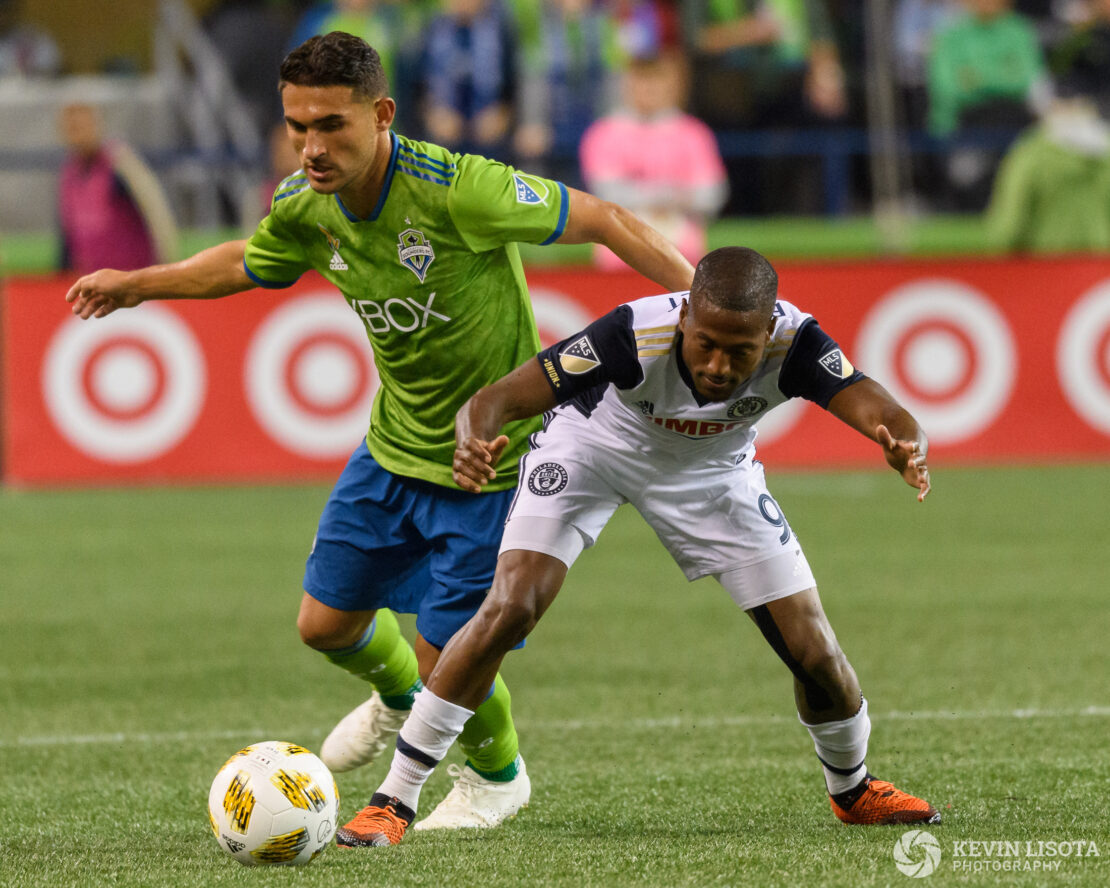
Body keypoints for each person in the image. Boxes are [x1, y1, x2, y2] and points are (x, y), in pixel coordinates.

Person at [65, 31, 694, 838]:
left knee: (449, 658)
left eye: (332, 124)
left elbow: (606, 219)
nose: (312, 147)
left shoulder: (460, 189)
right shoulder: (305, 202)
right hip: (394, 445)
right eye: (298, 127)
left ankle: (497, 779)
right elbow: (247, 263)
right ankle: (400, 704)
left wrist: (712, 305)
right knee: (324, 625)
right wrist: (139, 285)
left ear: (382, 113)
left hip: (491, 460)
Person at [336, 246, 941, 846]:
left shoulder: (799, 343)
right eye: (706, 342)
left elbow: (881, 407)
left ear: (769, 332)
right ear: (684, 319)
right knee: (510, 605)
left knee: (813, 650)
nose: (720, 366)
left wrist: (904, 443)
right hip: (594, 449)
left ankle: (853, 789)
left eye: (742, 351)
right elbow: (495, 401)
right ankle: (395, 798)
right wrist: (473, 438)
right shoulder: (631, 332)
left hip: (713, 471)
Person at [579, 51, 728, 270]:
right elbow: (605, 194)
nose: (649, 89)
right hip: (618, 253)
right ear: (627, 84)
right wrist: (673, 194)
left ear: (672, 85)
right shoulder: (603, 134)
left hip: (684, 254)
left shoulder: (694, 134)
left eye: (656, 81)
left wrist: (642, 195)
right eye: (642, 80)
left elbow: (711, 195)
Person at [57, 102, 178, 273]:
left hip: (133, 278)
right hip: (95, 281)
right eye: (71, 127)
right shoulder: (70, 173)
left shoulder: (119, 164)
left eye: (82, 125)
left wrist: (166, 265)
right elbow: (69, 233)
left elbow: (155, 212)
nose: (77, 134)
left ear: (97, 124)